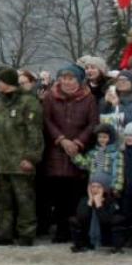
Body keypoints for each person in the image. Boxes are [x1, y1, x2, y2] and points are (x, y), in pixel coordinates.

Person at [41, 64, 99, 242]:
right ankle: (60, 229)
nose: (66, 82)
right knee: (58, 193)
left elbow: (92, 123)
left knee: (75, 193)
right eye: (64, 78)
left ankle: (75, 230)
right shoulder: (51, 96)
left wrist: (78, 142)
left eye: (71, 78)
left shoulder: (88, 98)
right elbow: (46, 120)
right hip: (56, 151)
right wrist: (61, 139)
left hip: (78, 151)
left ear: (78, 80)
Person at [0, 66, 44, 246]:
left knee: (24, 200)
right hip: (2, 160)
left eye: (0, 81)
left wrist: (31, 157)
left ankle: (26, 234)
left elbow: (34, 132)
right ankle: (4, 234)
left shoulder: (29, 102)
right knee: (3, 201)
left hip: (21, 161)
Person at [71, 171, 125, 253]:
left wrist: (99, 205)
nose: (95, 189)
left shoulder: (111, 201)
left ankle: (116, 247)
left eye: (98, 187)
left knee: (117, 219)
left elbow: (106, 220)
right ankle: (80, 245)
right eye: (93, 186)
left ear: (105, 188)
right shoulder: (84, 200)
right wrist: (89, 202)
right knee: (74, 220)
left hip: (105, 235)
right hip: (87, 235)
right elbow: (82, 218)